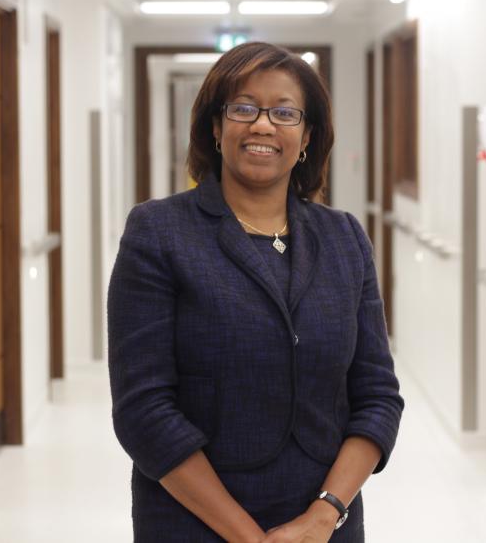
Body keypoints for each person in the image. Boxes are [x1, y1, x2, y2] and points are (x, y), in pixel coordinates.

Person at [107, 41, 404, 542]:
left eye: (284, 113)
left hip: (323, 525)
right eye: (243, 108)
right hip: (193, 521)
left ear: (307, 136)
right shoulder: (159, 232)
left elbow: (377, 396)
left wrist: (324, 514)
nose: (263, 125)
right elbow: (144, 411)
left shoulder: (344, 237)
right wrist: (250, 538)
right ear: (216, 126)